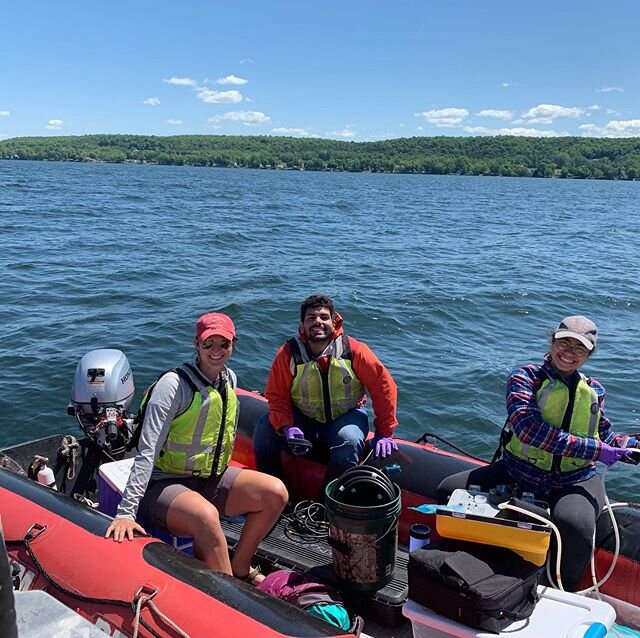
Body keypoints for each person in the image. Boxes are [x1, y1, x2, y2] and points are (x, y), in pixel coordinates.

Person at [437, 315, 639, 592]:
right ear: (552, 342)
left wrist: (630, 448)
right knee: (448, 490)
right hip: (518, 470)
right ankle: (458, 568)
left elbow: (605, 436)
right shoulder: (524, 377)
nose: (569, 353)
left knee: (576, 525)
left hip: (574, 478)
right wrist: (597, 450)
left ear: (589, 354)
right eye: (564, 343)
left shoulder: (594, 391)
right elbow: (530, 430)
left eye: (579, 348)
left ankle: (562, 591)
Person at [105, 312, 288, 585]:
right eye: (208, 343)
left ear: (233, 345)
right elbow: (147, 451)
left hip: (208, 479)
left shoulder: (229, 380)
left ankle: (240, 566)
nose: (216, 351)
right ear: (196, 344)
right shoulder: (173, 386)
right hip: (163, 485)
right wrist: (125, 512)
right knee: (206, 516)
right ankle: (232, 595)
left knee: (275, 493)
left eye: (223, 344)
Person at [253, 294, 399, 487]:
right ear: (303, 325)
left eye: (323, 317)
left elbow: (383, 388)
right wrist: (287, 426)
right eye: (311, 318)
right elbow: (276, 396)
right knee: (264, 429)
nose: (318, 322)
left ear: (334, 320)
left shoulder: (354, 350)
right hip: (304, 418)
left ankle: (326, 505)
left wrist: (384, 432)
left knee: (349, 440)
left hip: (346, 416)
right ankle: (273, 493)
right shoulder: (288, 354)